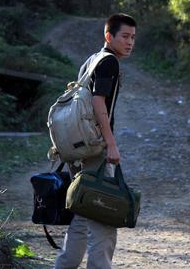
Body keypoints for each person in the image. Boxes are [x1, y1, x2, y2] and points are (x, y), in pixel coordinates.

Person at [54, 13, 136, 269]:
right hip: (95, 147)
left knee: (83, 210)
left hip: (79, 147)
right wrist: (110, 143)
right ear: (108, 36)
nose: (130, 42)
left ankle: (64, 265)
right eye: (124, 36)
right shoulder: (109, 62)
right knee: (103, 214)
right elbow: (98, 101)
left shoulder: (93, 59)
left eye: (133, 37)